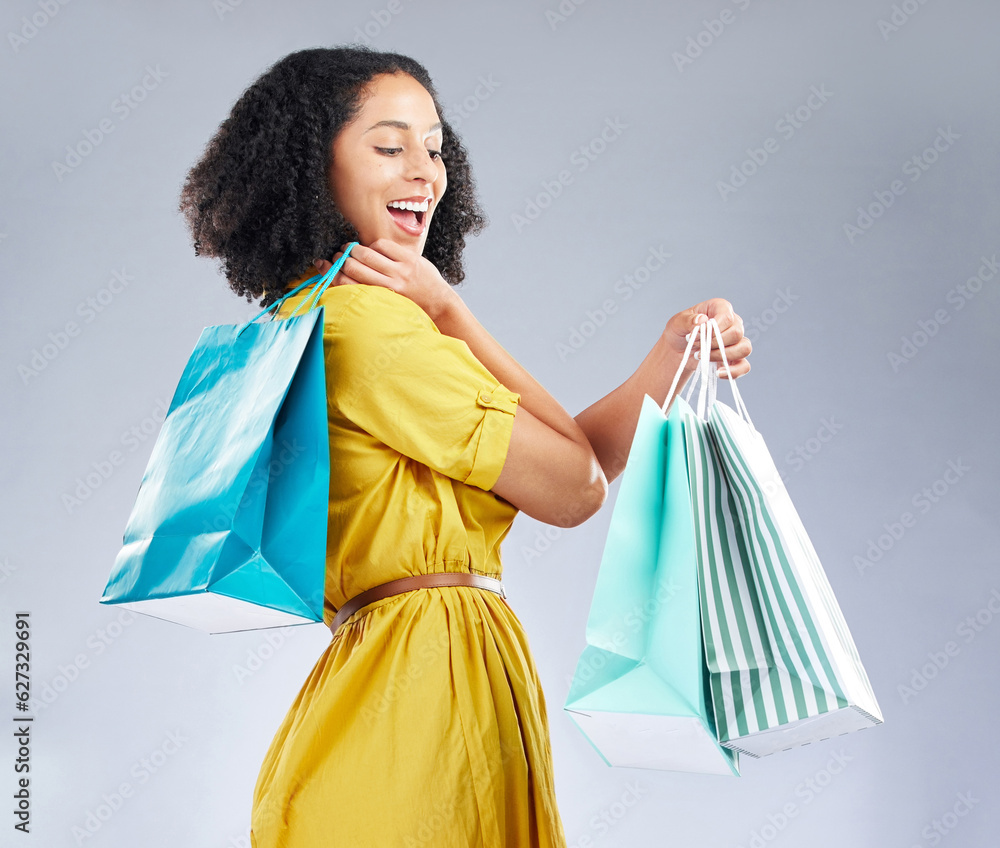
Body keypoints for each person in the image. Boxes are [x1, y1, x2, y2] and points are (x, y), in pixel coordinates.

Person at [179, 45, 751, 848]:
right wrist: (453, 314)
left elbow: (573, 458)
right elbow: (575, 486)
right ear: (313, 168)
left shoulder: (306, 319)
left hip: (381, 686)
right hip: (422, 696)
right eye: (389, 146)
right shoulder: (368, 324)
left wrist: (668, 355)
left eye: (436, 147)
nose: (425, 172)